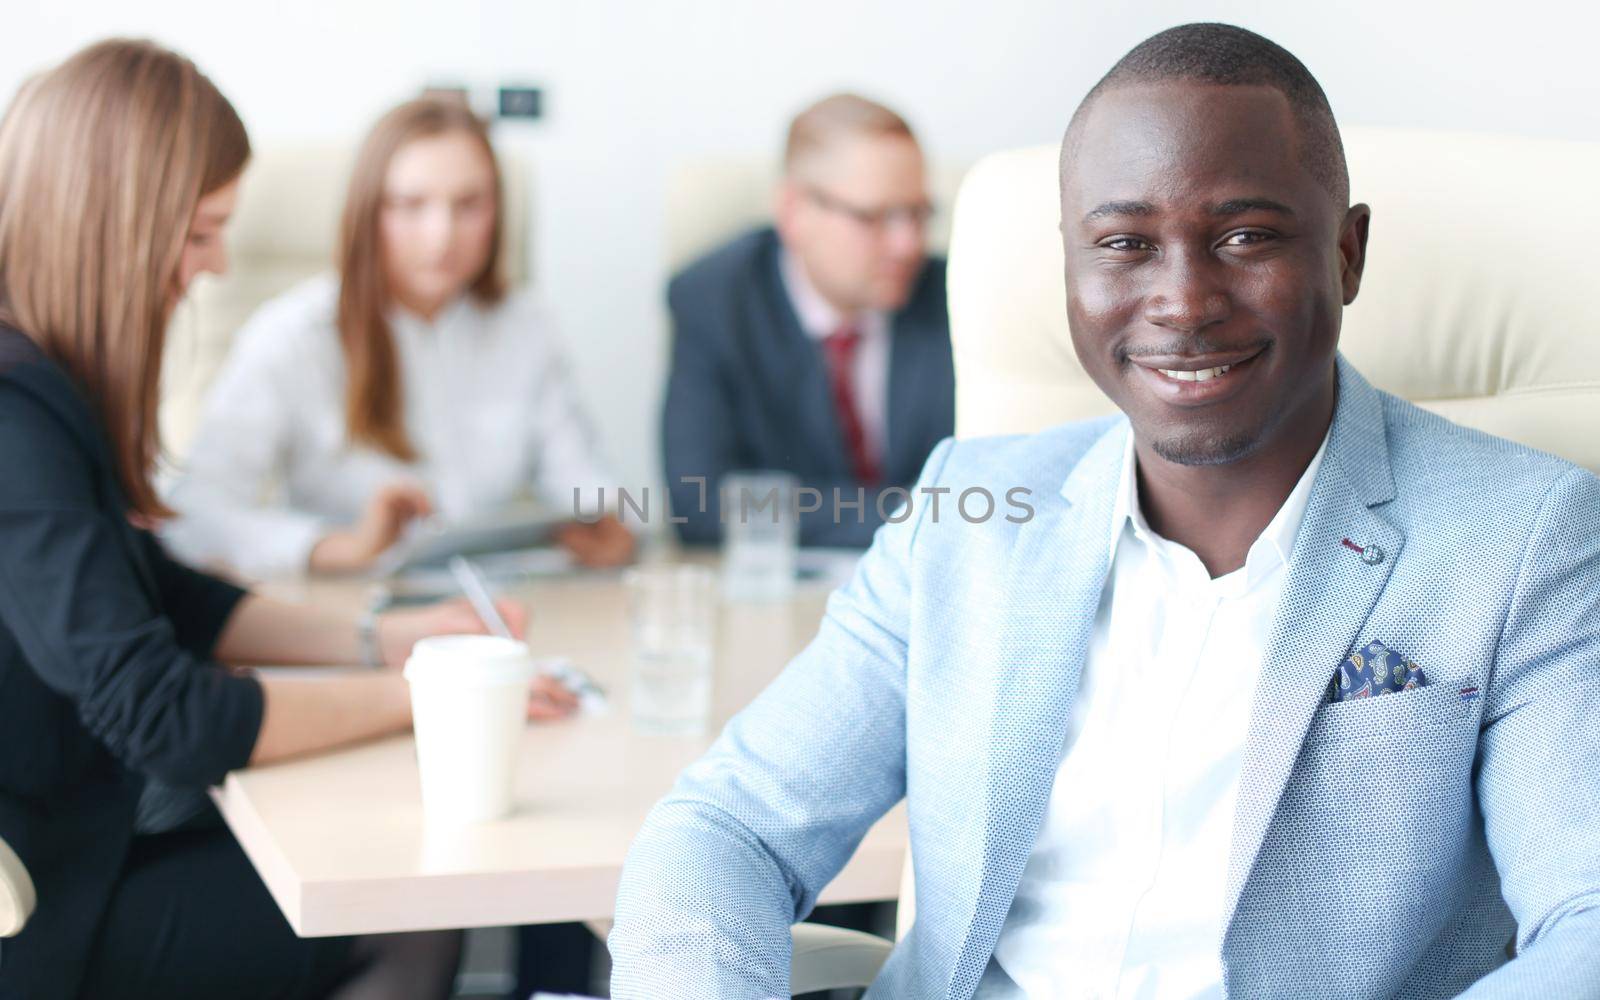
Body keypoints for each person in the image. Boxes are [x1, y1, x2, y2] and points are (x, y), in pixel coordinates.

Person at [609, 23, 1600, 999]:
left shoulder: (1529, 538)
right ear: (1071, 267)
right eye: (1124, 242)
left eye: (1244, 237)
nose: (1181, 300)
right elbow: (726, 827)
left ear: (1346, 253)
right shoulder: (967, 515)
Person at [0, 40, 575, 1000]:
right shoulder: (15, 420)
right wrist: (427, 695)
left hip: (82, 831)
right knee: (406, 910)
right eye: (201, 232)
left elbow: (168, 591)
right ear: (113, 229)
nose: (217, 264)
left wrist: (386, 638)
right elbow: (165, 716)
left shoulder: (40, 389)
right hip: (44, 911)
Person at [164, 96, 633, 580]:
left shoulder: (527, 326)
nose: (442, 235)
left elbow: (587, 483)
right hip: (350, 611)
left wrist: (612, 521)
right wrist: (337, 546)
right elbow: (193, 518)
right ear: (368, 211)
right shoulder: (294, 338)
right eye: (411, 205)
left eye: (468, 205)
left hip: (500, 601)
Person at [662, 92, 954, 548]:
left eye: (917, 213)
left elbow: (996, 485)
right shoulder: (714, 300)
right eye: (875, 217)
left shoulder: (956, 295)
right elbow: (698, 502)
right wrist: (909, 518)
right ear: (794, 213)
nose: (907, 243)